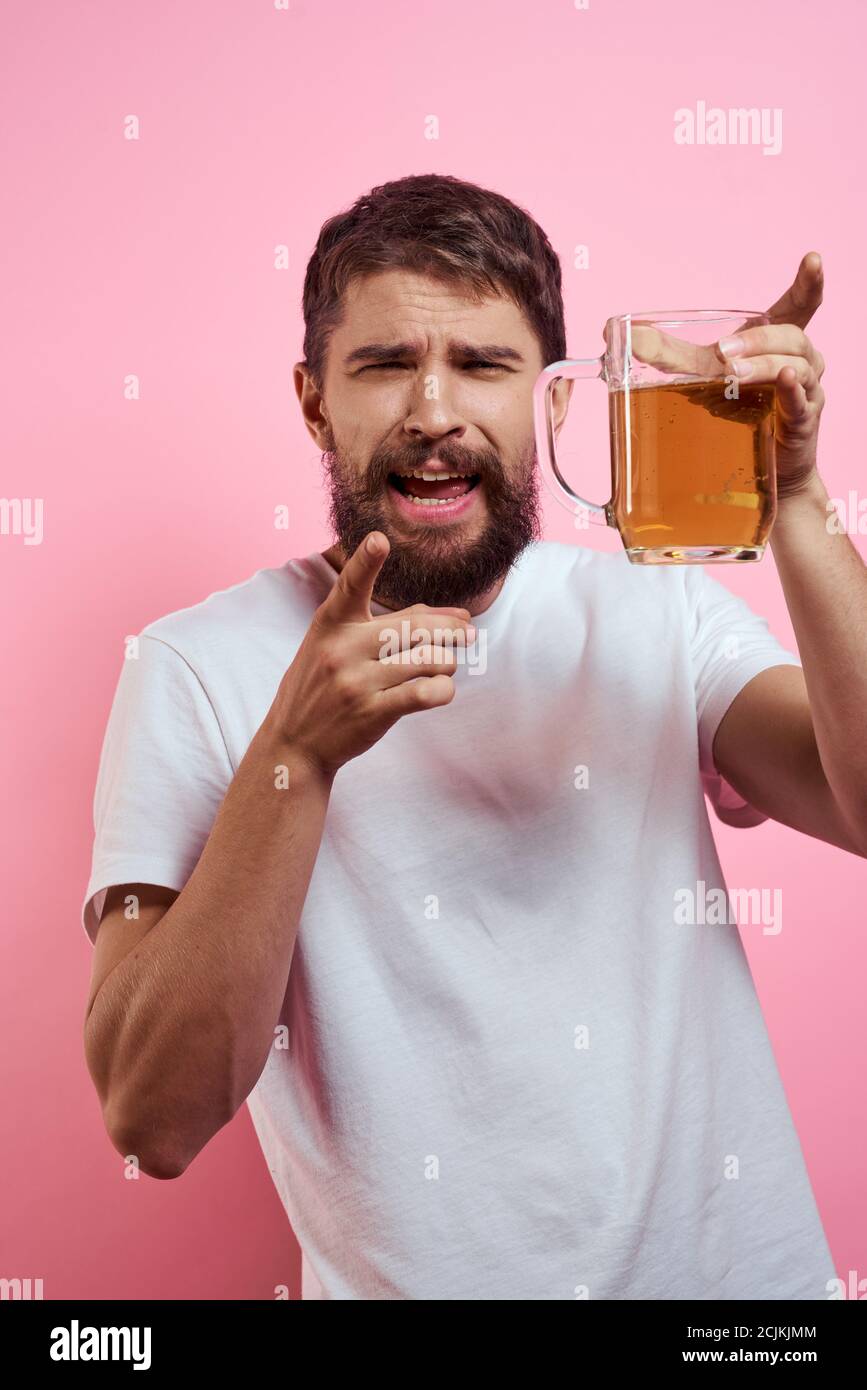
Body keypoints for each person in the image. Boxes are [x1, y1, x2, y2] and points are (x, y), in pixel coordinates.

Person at [81, 173, 865, 1301]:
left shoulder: (662, 613)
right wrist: (296, 754)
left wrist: (792, 495)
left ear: (551, 405)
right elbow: (151, 1119)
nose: (434, 411)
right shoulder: (194, 668)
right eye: (387, 363)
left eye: (484, 365)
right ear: (314, 402)